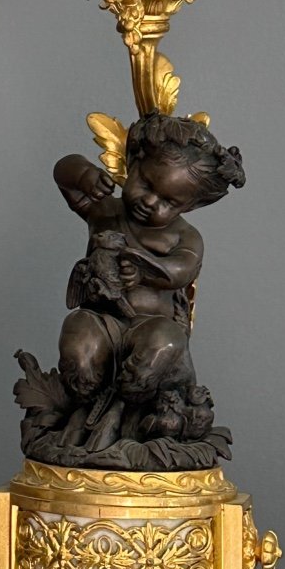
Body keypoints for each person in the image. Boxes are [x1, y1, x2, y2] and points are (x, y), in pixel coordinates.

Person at [50, 112, 244, 451]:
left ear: (191, 205)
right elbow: (63, 175)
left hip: (150, 325)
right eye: (147, 184)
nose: (150, 202)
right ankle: (86, 406)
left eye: (169, 202)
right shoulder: (105, 212)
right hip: (102, 320)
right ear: (133, 162)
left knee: (166, 341)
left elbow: (183, 269)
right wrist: (84, 175)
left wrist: (145, 269)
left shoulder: (184, 236)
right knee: (77, 333)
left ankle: (126, 411)